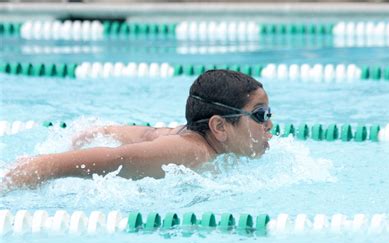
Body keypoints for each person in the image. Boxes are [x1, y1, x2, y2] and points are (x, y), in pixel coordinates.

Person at [2, 70, 273, 191]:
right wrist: (39, 167)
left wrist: (103, 130)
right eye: (260, 115)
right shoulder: (189, 153)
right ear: (219, 127)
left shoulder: (194, 136)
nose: (269, 125)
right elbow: (115, 159)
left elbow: (149, 134)